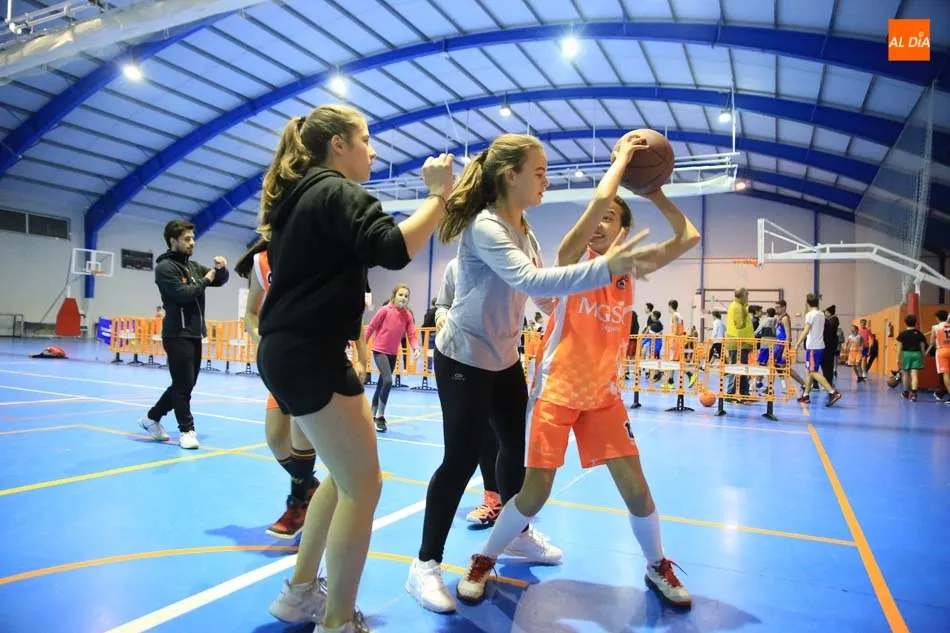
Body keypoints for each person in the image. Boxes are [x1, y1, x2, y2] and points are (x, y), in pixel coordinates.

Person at [406, 132, 660, 614]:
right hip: (463, 358)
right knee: (461, 460)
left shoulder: (523, 228)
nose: (546, 180)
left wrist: (576, 314)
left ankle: (517, 533)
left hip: (504, 358)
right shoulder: (486, 226)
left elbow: (540, 296)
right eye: (539, 172)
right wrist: (604, 269)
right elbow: (529, 278)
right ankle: (425, 565)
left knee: (514, 451)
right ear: (511, 176)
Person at [455, 133, 700, 609]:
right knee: (534, 494)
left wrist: (654, 192)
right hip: (558, 390)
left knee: (638, 490)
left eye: (610, 219)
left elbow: (689, 236)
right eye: (597, 217)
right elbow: (597, 204)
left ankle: (657, 564)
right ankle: (484, 558)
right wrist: (621, 164)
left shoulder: (629, 267)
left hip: (603, 396)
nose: (599, 224)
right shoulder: (572, 261)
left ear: (623, 232)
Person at [255, 104, 455, 633]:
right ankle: (338, 621)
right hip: (310, 352)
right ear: (338, 144)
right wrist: (438, 195)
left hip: (288, 351)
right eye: (365, 139)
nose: (374, 149)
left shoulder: (300, 197)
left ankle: (300, 594)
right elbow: (393, 248)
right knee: (364, 488)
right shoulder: (336, 190)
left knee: (345, 479)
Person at [235, 239, 337, 540]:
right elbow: (251, 313)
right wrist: (263, 339)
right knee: (275, 438)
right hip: (280, 363)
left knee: (302, 437)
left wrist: (359, 355)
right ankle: (310, 487)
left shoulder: (316, 250)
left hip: (313, 359)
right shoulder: (262, 262)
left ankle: (298, 503)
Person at [138, 219, 229, 450]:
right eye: (187, 239)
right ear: (173, 241)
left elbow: (219, 281)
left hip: (195, 334)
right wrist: (206, 279)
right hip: (176, 333)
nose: (192, 243)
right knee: (183, 385)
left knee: (185, 383)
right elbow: (184, 293)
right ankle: (187, 431)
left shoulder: (193, 266)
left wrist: (221, 269)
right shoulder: (165, 268)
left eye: (193, 238)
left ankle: (151, 418)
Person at [435, 257, 503, 526]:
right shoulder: (455, 266)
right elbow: (442, 304)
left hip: (502, 360)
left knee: (506, 438)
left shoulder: (506, 261)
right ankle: (494, 499)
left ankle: (510, 503)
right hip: (461, 359)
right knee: (470, 440)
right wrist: (441, 317)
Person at [364, 284, 419, 432]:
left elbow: (412, 335)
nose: (403, 298)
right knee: (388, 381)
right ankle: (380, 417)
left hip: (393, 354)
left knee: (381, 383)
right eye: (401, 295)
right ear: (394, 296)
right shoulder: (384, 310)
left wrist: (416, 348)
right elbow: (371, 327)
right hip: (379, 351)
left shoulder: (407, 316)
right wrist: (363, 344)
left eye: (406, 296)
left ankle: (371, 414)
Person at [794, 294, 842, 406]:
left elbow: (806, 330)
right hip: (819, 346)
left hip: (813, 347)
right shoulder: (821, 314)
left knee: (812, 372)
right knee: (809, 371)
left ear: (807, 303)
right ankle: (806, 395)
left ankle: (833, 392)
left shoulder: (810, 315)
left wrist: (797, 344)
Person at [896, 314, 927, 401]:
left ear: (905, 323)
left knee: (905, 374)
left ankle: (906, 392)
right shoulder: (919, 334)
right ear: (915, 323)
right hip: (917, 354)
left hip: (906, 354)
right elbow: (922, 347)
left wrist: (898, 359)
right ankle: (914, 394)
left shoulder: (902, 334)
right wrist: (923, 357)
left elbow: (899, 348)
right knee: (914, 375)